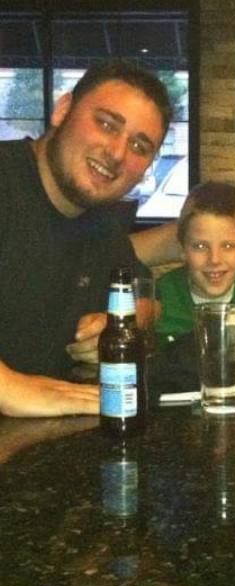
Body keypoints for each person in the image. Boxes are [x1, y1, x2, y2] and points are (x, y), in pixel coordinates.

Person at [0, 59, 172, 417]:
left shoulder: (102, 224)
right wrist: (12, 387)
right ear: (63, 110)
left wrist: (121, 323)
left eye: (139, 146)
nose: (117, 153)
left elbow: (145, 297)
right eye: (107, 124)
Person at [155, 181, 235, 346]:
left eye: (228, 246)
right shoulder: (163, 294)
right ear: (182, 249)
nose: (214, 259)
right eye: (201, 246)